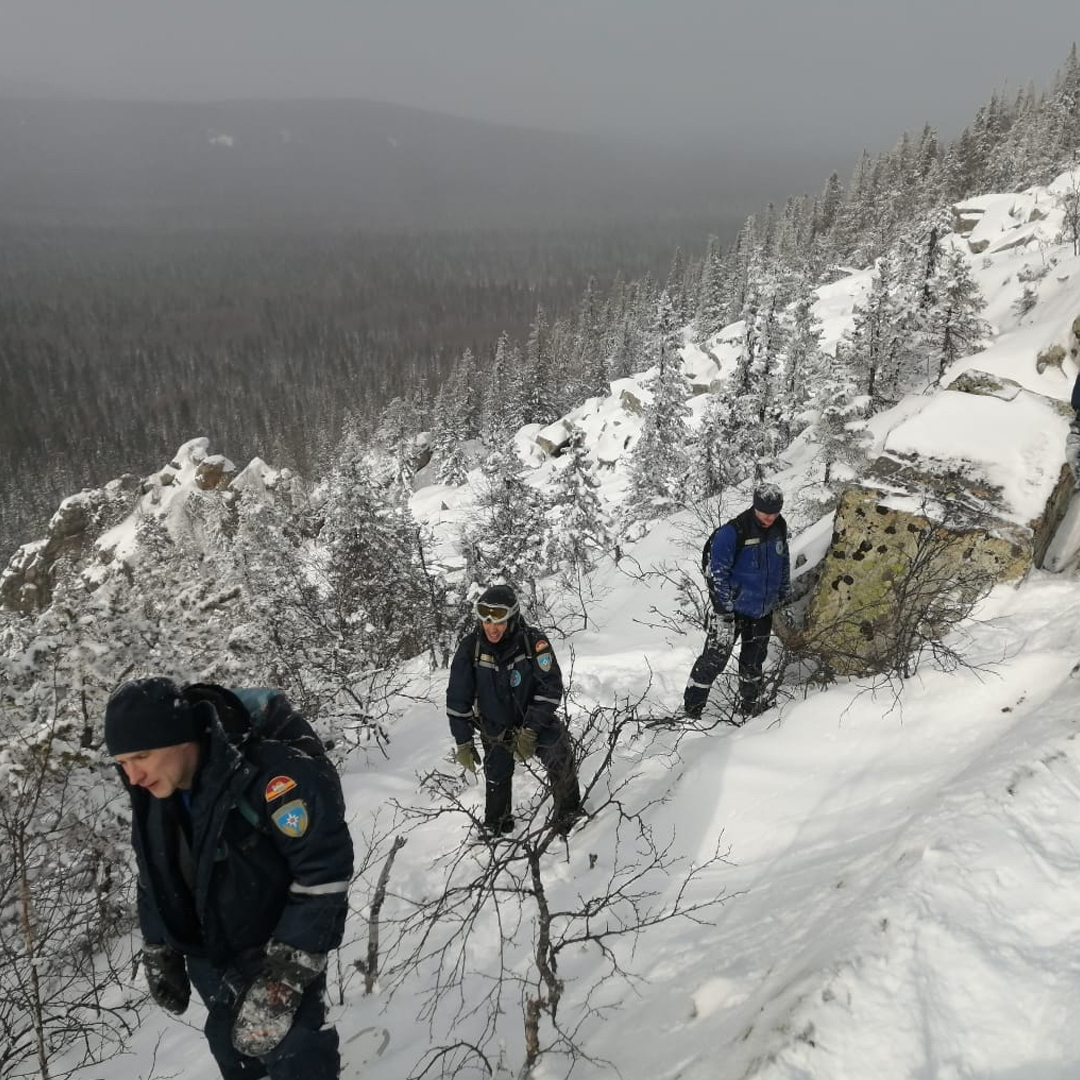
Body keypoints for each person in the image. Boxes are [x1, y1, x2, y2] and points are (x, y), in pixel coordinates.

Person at [105, 677, 353, 1080]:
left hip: (275, 946)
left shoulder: (268, 776)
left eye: (142, 756)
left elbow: (323, 870)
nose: (133, 776)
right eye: (122, 763)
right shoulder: (154, 794)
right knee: (235, 1057)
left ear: (180, 739)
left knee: (296, 1057)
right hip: (210, 958)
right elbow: (154, 872)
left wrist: (287, 971)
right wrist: (158, 943)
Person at [446, 584, 583, 836]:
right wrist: (463, 741)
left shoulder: (533, 642)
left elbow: (550, 688)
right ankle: (497, 827)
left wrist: (530, 730)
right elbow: (457, 698)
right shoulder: (470, 648)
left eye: (498, 621)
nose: (491, 628)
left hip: (534, 721)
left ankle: (570, 814)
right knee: (496, 774)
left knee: (557, 749)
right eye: (486, 621)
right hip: (494, 727)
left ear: (512, 618)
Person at [684, 483, 791, 720]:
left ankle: (751, 709)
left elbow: (783, 558)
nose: (770, 518)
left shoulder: (779, 526)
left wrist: (783, 590)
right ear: (755, 506)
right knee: (714, 660)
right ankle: (692, 710)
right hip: (730, 612)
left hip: (762, 610)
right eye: (766, 513)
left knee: (753, 663)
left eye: (774, 513)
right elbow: (716, 573)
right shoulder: (733, 532)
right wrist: (724, 609)